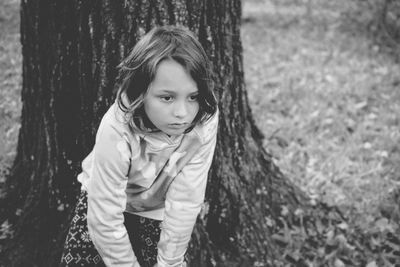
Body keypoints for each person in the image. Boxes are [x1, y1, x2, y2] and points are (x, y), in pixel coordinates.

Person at [60, 25, 218, 267]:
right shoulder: (116, 127)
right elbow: (104, 215)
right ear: (141, 91)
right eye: (167, 97)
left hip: (158, 212)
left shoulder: (204, 122)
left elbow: (186, 199)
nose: (182, 113)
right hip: (105, 203)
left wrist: (171, 262)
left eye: (193, 97)